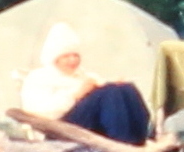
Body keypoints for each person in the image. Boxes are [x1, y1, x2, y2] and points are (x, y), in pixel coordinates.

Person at [20, 22, 152, 144]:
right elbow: (39, 112)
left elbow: (108, 95)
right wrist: (75, 96)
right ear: (55, 58)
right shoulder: (39, 77)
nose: (73, 60)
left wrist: (115, 85)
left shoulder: (85, 75)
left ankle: (140, 140)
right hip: (58, 129)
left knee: (126, 88)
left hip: (90, 125)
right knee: (109, 92)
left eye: (75, 55)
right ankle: (122, 141)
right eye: (66, 56)